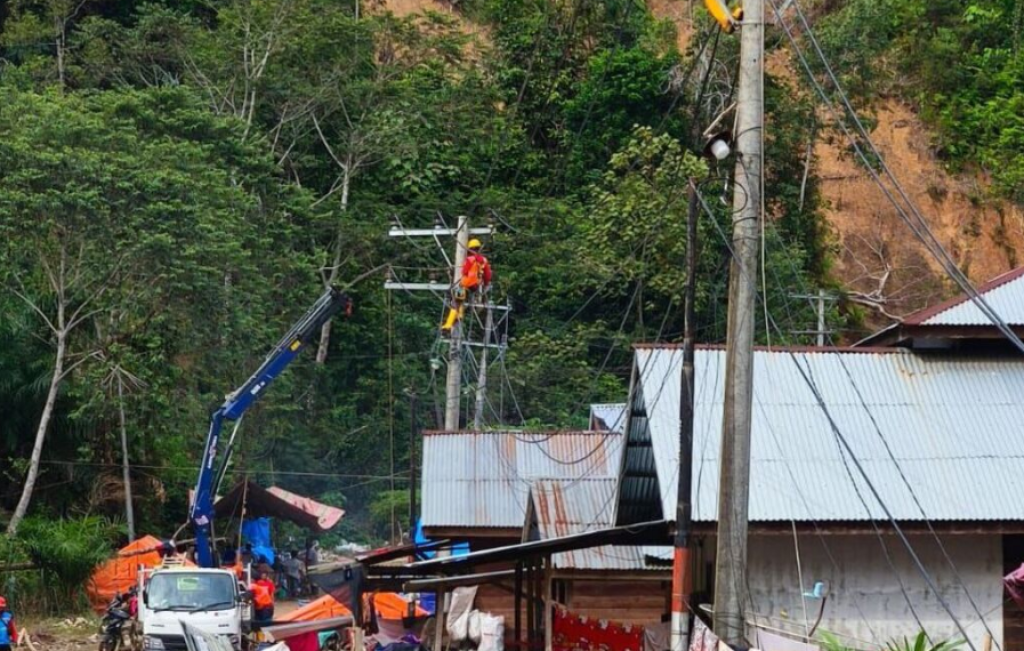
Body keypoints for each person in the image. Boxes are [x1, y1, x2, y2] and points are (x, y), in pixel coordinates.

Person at [441, 239, 493, 331]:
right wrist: (485, 284)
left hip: (465, 284)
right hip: (475, 286)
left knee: (455, 302)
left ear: (470, 249)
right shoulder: (484, 261)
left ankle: (448, 324)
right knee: (461, 300)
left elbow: (464, 271)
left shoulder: (469, 259)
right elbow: (487, 276)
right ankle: (460, 314)